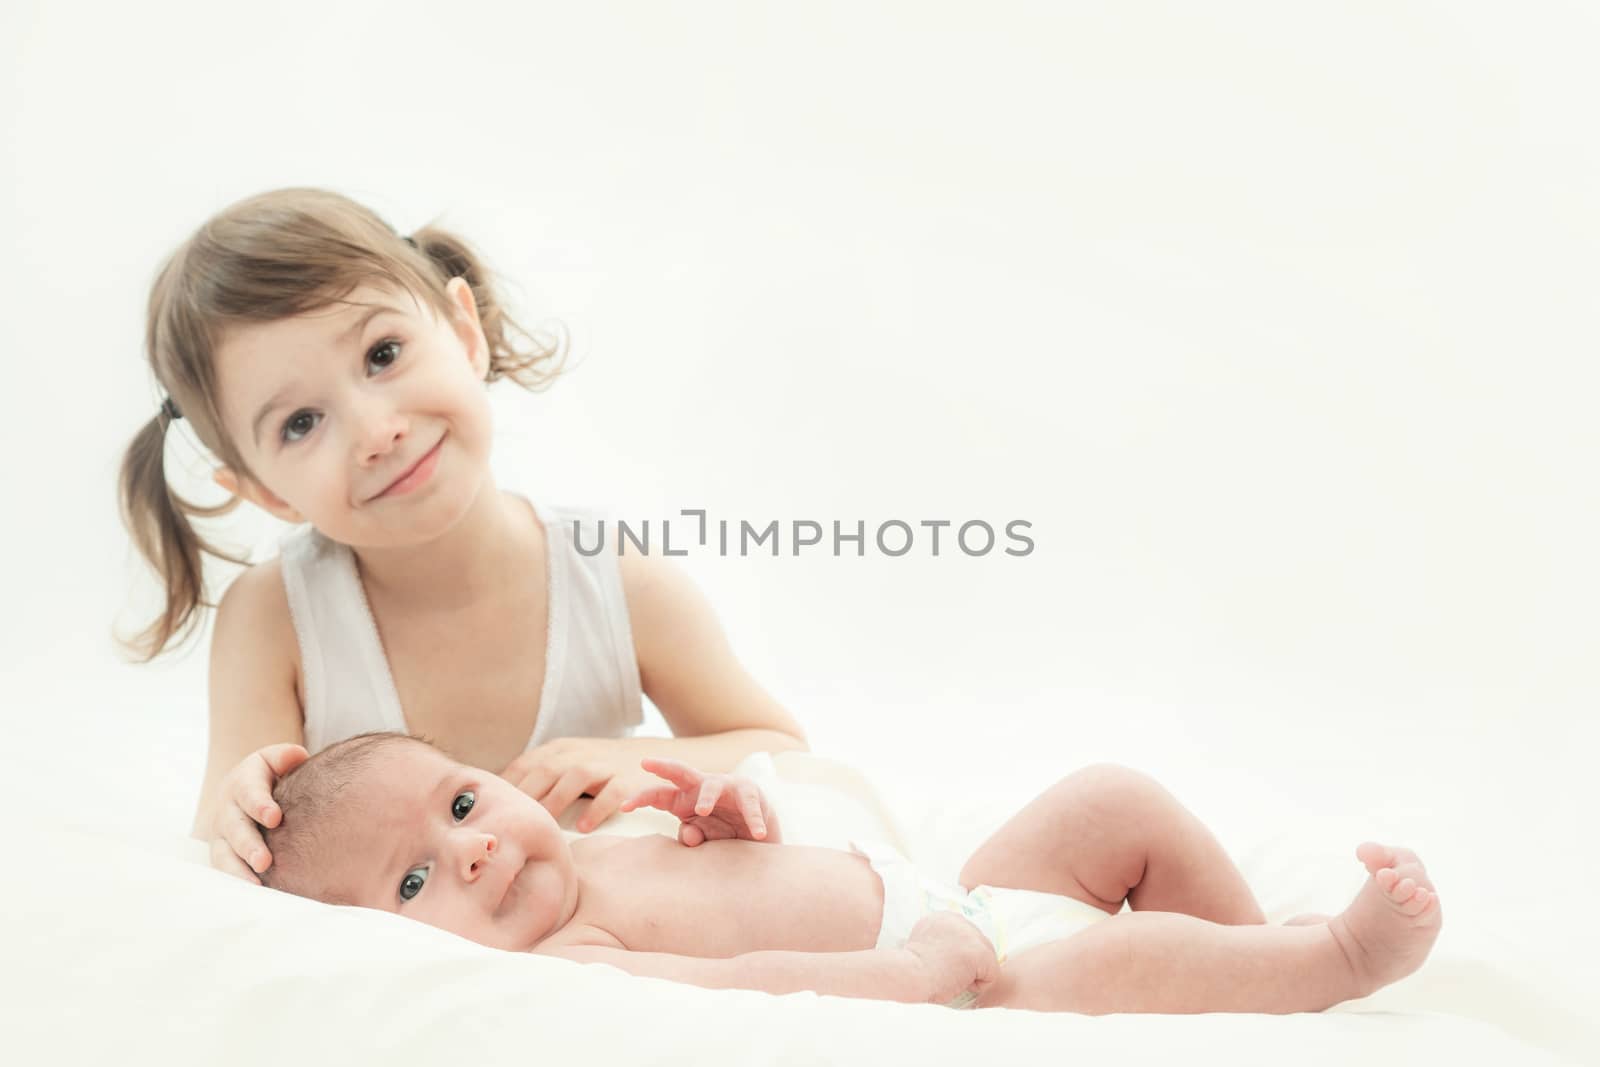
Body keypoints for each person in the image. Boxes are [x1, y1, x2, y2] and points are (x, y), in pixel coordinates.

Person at [116, 187, 808, 886]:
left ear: (464, 331)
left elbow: (782, 749)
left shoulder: (610, 578)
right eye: (301, 423)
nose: (376, 430)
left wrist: (631, 759)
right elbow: (228, 845)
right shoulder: (275, 620)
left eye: (383, 353)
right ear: (264, 491)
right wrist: (237, 818)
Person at [260, 731, 1442, 1014]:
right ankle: (1331, 959)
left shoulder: (596, 836)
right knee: (1118, 958)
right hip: (976, 982)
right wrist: (920, 972)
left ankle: (1243, 957)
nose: (468, 844)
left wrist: (738, 817)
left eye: (461, 801)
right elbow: (763, 980)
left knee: (1107, 799)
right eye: (416, 883)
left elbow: (756, 876)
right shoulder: (578, 961)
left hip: (959, 895)